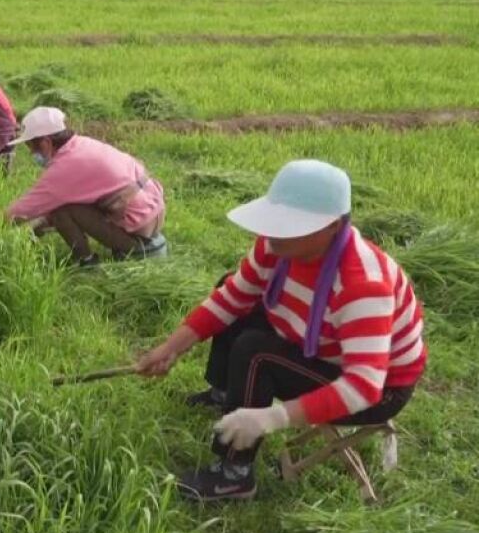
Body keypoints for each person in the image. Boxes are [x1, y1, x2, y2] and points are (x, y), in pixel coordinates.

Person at [136, 160, 426, 502]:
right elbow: (232, 298)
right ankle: (224, 395)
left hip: (378, 389)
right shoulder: (276, 247)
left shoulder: (362, 284)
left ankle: (234, 473)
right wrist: (171, 347)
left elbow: (364, 387)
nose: (273, 236)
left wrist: (271, 418)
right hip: (319, 343)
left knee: (256, 351)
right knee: (234, 296)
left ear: (332, 226)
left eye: (289, 227)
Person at [6, 107, 168, 267]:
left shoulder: (65, 167)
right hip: (152, 213)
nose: (31, 153)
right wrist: (36, 228)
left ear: (46, 142)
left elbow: (21, 211)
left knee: (61, 211)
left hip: (138, 230)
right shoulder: (82, 145)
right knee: (61, 208)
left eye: (31, 147)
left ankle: (86, 261)